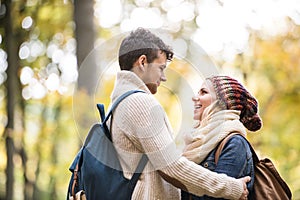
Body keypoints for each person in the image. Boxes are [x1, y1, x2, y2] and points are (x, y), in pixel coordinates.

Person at [109, 27, 250, 200]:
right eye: (161, 68)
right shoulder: (139, 103)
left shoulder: (118, 103)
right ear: (143, 62)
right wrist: (231, 187)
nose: (164, 77)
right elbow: (172, 167)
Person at [181, 75, 263, 200]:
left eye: (204, 92)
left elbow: (217, 197)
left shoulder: (235, 143)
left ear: (222, 103)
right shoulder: (197, 143)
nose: (195, 97)